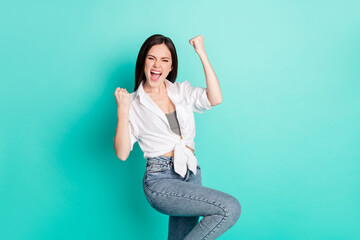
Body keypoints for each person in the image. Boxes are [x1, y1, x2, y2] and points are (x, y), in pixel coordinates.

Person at [114, 34, 241, 240]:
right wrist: (122, 111)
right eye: (151, 58)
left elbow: (215, 98)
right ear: (143, 61)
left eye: (164, 60)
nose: (157, 65)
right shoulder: (133, 103)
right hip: (160, 179)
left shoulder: (181, 91)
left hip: (190, 172)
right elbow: (121, 153)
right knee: (228, 208)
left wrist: (201, 52)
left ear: (171, 67)